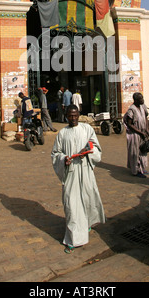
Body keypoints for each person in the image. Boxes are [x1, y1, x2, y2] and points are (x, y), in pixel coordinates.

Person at [51, 104, 106, 254]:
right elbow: (56, 153)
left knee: (87, 199)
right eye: (70, 116)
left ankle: (86, 223)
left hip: (86, 171)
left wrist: (88, 151)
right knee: (71, 204)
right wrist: (64, 160)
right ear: (66, 116)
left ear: (79, 115)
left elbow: (96, 147)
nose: (73, 118)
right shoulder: (62, 133)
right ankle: (73, 239)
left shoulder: (86, 129)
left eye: (75, 116)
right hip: (71, 174)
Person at [124, 92, 149, 178]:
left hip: (142, 133)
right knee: (135, 153)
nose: (142, 100)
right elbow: (129, 124)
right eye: (140, 99)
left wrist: (146, 129)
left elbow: (145, 117)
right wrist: (140, 132)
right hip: (134, 134)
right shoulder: (132, 110)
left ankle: (142, 168)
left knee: (143, 151)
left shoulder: (143, 107)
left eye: (142, 98)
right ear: (136, 100)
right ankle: (136, 170)